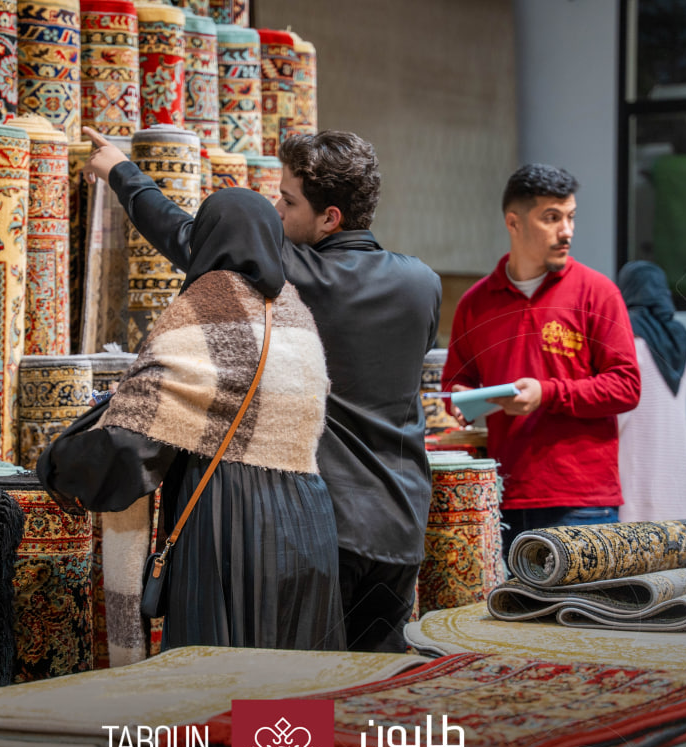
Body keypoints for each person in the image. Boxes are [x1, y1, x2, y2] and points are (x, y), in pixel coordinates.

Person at [84, 126, 440, 653]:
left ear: (331, 217)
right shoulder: (423, 283)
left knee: (303, 691)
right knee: (374, 684)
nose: (276, 210)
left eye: (288, 201)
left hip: (325, 528)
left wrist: (122, 172)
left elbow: (189, 237)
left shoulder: (288, 274)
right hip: (402, 524)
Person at [38, 188, 345, 650]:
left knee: (217, 674)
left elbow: (133, 441)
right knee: (296, 675)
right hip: (309, 519)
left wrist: (60, 465)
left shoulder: (208, 306)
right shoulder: (296, 315)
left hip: (229, 518)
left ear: (206, 239)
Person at [442, 164, 640, 556]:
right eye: (551, 218)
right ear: (513, 222)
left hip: (582, 502)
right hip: (502, 497)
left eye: (571, 217)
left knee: (584, 600)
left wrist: (547, 393)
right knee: (506, 600)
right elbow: (453, 385)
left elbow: (627, 387)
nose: (566, 231)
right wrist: (462, 400)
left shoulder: (598, 293)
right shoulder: (475, 303)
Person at [615, 260, 686, 523]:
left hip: (636, 449)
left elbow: (620, 407)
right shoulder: (682, 339)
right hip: (674, 454)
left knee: (638, 532)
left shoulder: (628, 335)